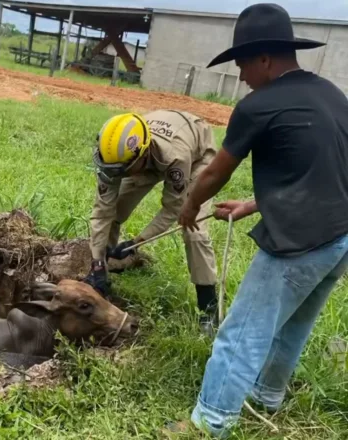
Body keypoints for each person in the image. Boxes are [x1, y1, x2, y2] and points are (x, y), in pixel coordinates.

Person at [168, 3, 348, 438]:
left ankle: (209, 423)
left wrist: (189, 208)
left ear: (265, 58)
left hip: (300, 242)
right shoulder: (332, 95)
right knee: (294, 323)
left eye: (243, 64)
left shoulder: (259, 104)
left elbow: (214, 172)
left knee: (242, 331)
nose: (242, 75)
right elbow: (318, 171)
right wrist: (253, 204)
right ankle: (267, 396)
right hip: (340, 236)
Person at [83, 110, 220, 335]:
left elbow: (173, 209)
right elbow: (102, 213)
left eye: (121, 171)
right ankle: (102, 276)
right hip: (146, 157)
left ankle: (209, 306)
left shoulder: (176, 157)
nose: (116, 176)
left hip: (196, 154)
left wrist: (136, 242)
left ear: (142, 156)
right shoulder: (114, 156)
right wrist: (97, 261)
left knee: (193, 230)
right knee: (114, 210)